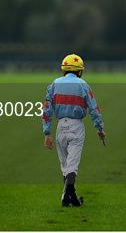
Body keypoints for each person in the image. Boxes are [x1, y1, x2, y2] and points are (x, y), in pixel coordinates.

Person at [42, 54, 106, 207]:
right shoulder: (83, 85)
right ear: (79, 71)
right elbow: (94, 109)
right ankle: (69, 196)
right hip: (76, 126)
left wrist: (47, 133)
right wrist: (100, 129)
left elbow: (46, 109)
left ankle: (70, 198)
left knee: (65, 166)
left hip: (60, 127)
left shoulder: (54, 84)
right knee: (72, 166)